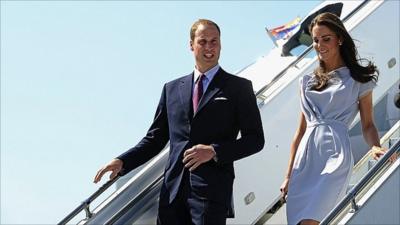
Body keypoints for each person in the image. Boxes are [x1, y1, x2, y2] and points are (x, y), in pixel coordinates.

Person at [94, 19, 264, 225]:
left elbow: (255, 140)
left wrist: (214, 151)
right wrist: (123, 161)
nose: (209, 47)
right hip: (172, 192)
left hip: (211, 193)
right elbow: (155, 138)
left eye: (214, 41)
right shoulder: (171, 89)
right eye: (203, 42)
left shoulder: (239, 87)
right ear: (191, 45)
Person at [279, 12, 390, 225]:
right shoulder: (306, 82)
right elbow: (300, 132)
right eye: (315, 40)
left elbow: (368, 125)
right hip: (305, 160)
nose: (319, 45)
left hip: (335, 156)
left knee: (312, 220)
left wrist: (376, 146)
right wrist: (288, 175)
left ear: (339, 39)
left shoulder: (358, 79)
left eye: (326, 39)